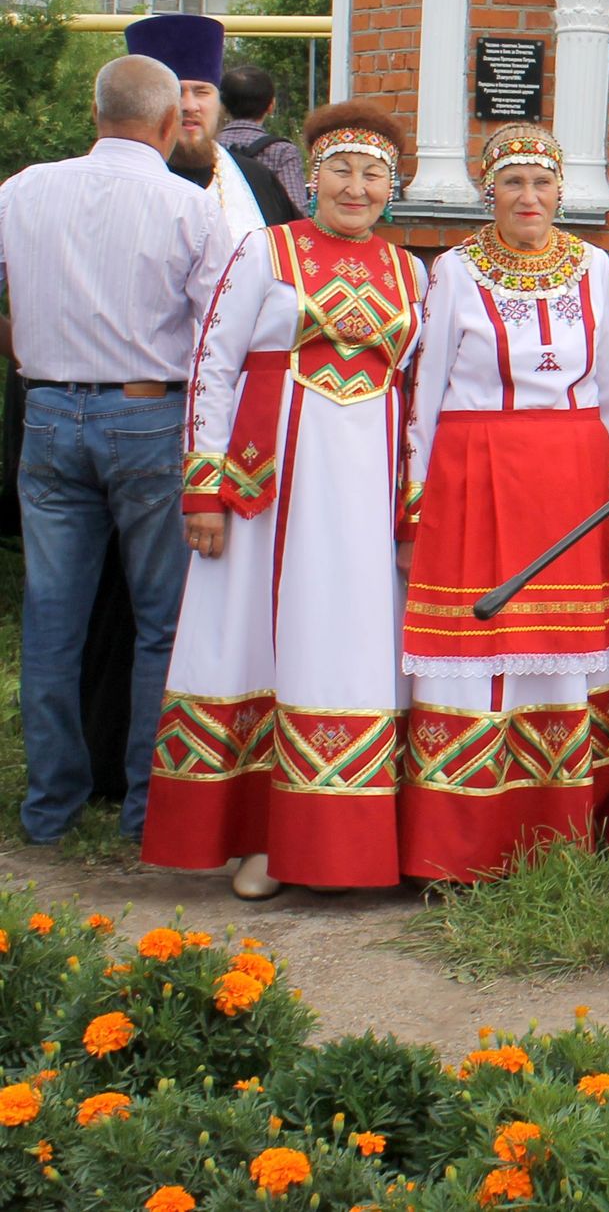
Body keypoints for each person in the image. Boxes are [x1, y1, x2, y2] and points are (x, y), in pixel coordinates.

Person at [140, 103, 424, 897]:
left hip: (363, 504)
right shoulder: (264, 251)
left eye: (373, 174)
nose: (356, 187)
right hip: (268, 493)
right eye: (341, 169)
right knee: (257, 645)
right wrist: (203, 485)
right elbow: (214, 366)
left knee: (346, 650)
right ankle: (261, 835)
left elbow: (417, 398)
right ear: (312, 179)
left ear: (391, 188)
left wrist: (412, 506)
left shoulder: (412, 272)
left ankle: (337, 839)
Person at [0, 53, 231, 843]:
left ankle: (49, 808)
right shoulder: (189, 206)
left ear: (95, 114)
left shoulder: (23, 189)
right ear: (171, 124)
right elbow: (214, 339)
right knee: (162, 620)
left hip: (49, 407)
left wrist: (27, 341)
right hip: (148, 415)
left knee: (51, 615)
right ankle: (146, 805)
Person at [398, 123, 609, 880]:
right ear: (487, 192)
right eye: (511, 183)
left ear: (561, 190)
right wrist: (416, 497)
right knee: (478, 644)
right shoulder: (456, 271)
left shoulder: (595, 265)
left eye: (541, 183)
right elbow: (425, 392)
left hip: (570, 477)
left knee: (559, 653)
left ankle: (556, 831)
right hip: (474, 473)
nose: (528, 198)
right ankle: (460, 841)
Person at [130, 15, 294, 234]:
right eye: (177, 92)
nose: (190, 106)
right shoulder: (124, 183)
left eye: (202, 92)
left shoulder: (257, 180)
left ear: (219, 102)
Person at [217, 63, 307, 220]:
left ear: (223, 106)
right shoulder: (282, 151)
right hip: (267, 238)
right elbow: (296, 209)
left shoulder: (208, 148)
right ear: (271, 105)